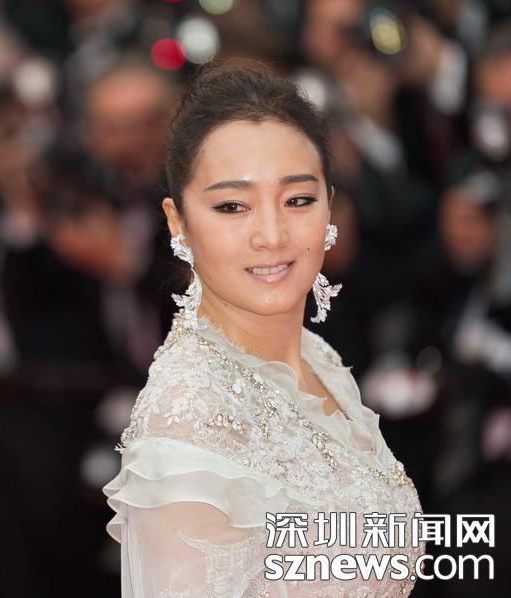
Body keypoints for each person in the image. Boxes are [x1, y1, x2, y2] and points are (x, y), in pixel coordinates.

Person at [102, 63, 427, 596]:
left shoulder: (318, 358)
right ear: (178, 222)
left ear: (330, 205)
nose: (272, 235)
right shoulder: (191, 416)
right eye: (232, 206)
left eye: (298, 200)